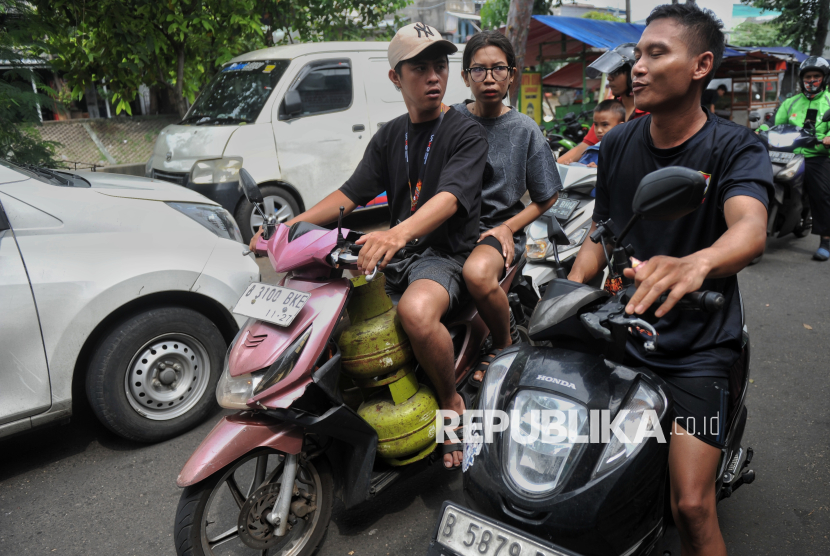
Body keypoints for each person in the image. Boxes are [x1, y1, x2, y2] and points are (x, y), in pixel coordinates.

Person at [567, 5, 771, 555]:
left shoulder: (735, 148)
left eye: (657, 53)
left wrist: (697, 262)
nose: (638, 66)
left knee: (693, 506)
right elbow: (597, 236)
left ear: (701, 65)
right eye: (638, 54)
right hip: (620, 329)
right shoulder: (616, 144)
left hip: (695, 349)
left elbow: (750, 229)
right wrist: (563, 299)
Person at [252, 23, 488, 470]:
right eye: (420, 68)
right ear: (396, 78)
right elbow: (348, 195)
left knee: (415, 314)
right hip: (399, 256)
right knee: (331, 315)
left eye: (440, 66)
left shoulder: (465, 131)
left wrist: (398, 233)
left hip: (445, 256)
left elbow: (449, 197)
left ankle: (450, 404)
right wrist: (284, 230)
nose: (434, 77)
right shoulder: (389, 136)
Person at [451, 30, 561, 384]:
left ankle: (504, 342)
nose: (489, 79)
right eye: (478, 70)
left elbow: (548, 195)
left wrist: (507, 227)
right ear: (465, 76)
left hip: (495, 230)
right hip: (449, 227)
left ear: (512, 74)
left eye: (498, 69)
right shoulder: (449, 121)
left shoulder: (523, 128)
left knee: (478, 275)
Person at [773, 56, 830, 261]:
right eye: (808, 76)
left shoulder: (829, 101)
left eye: (816, 76)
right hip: (788, 153)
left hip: (816, 156)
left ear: (824, 79)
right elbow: (773, 123)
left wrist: (827, 139)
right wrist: (758, 131)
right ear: (801, 79)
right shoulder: (790, 102)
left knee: (821, 194)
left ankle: (825, 239)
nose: (812, 80)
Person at [558, 42, 648, 165]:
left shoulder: (650, 112)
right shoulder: (610, 111)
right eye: (609, 73)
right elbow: (584, 147)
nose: (609, 78)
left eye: (615, 72)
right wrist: (553, 167)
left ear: (632, 73)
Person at [577, 99, 626, 167]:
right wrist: (571, 166)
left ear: (620, 126)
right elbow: (580, 169)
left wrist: (599, 171)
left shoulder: (626, 151)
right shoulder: (592, 151)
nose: (599, 130)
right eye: (596, 125)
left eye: (605, 124)